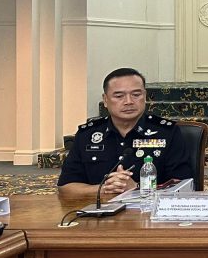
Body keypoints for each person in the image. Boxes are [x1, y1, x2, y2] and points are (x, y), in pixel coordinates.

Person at [57, 67, 192, 199]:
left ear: (145, 96)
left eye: (136, 95)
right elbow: (66, 187)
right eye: (119, 96)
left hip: (149, 211)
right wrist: (105, 188)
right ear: (105, 100)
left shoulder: (166, 133)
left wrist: (137, 189)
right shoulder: (87, 135)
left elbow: (184, 185)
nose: (128, 102)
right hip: (98, 210)